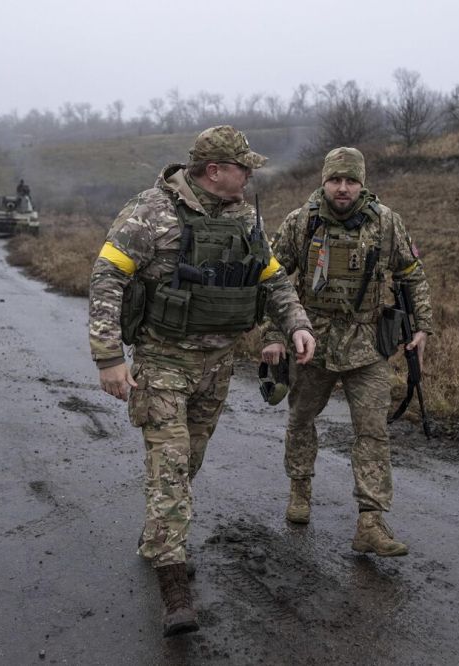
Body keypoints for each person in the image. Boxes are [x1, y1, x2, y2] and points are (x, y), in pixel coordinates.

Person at [88, 125, 316, 636]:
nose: (250, 175)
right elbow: (107, 277)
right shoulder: (150, 211)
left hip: (218, 366)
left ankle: (157, 537)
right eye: (243, 167)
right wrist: (108, 357)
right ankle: (174, 588)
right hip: (163, 362)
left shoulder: (243, 217)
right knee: (170, 467)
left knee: (188, 460)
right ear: (214, 171)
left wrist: (297, 325)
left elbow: (273, 278)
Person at [261, 147, 434, 557]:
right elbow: (272, 279)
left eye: (351, 181)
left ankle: (370, 521)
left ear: (362, 183)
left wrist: (423, 326)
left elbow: (412, 274)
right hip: (311, 342)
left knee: (372, 431)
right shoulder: (301, 222)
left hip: (367, 345)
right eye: (335, 180)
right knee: (301, 419)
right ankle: (300, 490)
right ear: (324, 182)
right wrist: (273, 334)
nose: (343, 188)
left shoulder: (386, 222)